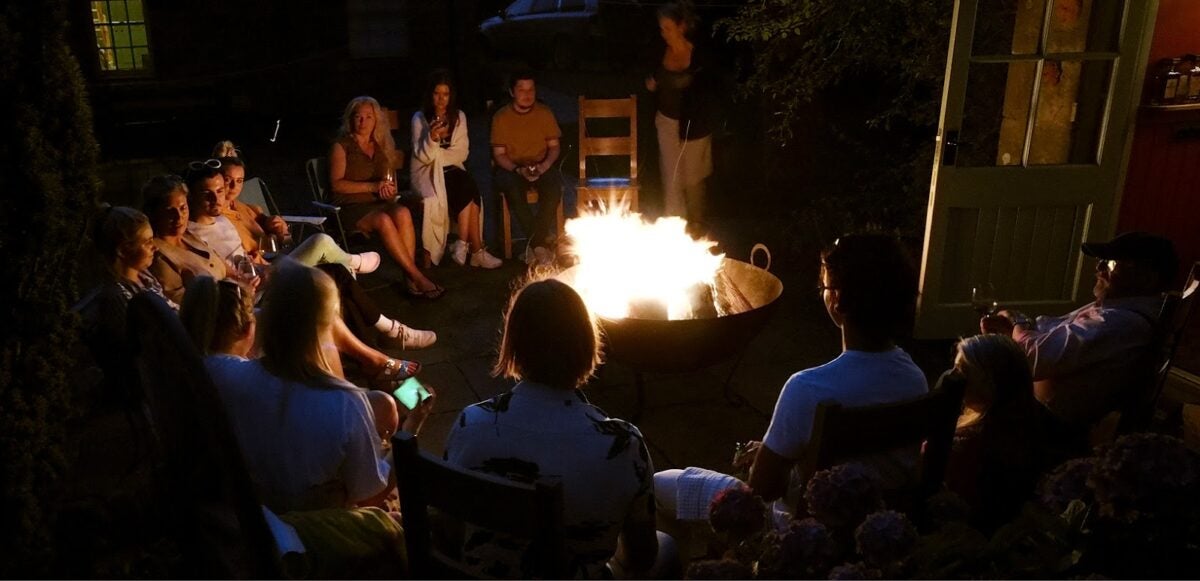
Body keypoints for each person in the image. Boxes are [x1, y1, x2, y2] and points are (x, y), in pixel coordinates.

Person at [655, 234, 928, 533]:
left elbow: (763, 492)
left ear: (837, 300)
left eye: (825, 287)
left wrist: (765, 461)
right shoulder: (914, 379)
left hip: (802, 533)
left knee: (658, 486)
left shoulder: (808, 389)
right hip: (884, 530)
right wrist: (787, 451)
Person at [444, 279, 674, 578]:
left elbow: (447, 534)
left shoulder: (471, 425)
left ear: (514, 343)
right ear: (586, 342)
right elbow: (642, 557)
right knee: (666, 547)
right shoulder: (623, 445)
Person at [179, 265, 432, 513]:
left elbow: (204, 341)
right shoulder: (346, 403)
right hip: (313, 533)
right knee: (384, 409)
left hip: (253, 512)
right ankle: (383, 368)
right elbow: (371, 497)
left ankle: (379, 366)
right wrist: (413, 426)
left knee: (381, 402)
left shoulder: (222, 374)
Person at [144, 175, 429, 386]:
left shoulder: (191, 237)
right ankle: (375, 356)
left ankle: (366, 364)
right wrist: (244, 286)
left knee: (330, 278)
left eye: (181, 208)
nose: (178, 216)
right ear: (153, 213)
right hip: (233, 323)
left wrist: (246, 273)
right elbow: (194, 311)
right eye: (169, 210)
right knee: (321, 284)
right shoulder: (162, 255)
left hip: (253, 290)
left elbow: (228, 269)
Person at [981, 231, 1178, 427]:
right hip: (1031, 406)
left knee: (964, 376)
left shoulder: (1121, 323)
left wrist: (1018, 322)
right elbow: (1051, 330)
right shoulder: (1116, 307)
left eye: (1111, 263)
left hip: (1043, 426)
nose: (1099, 267)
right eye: (1101, 260)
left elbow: (1032, 359)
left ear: (1147, 279)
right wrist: (1015, 329)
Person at [329, 96, 444, 299]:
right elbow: (337, 183)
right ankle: (417, 277)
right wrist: (372, 186)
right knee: (384, 220)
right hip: (351, 207)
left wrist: (389, 191)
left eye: (368, 117)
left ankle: (410, 279)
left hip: (378, 202)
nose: (363, 122)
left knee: (403, 212)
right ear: (351, 119)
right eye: (358, 117)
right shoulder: (342, 146)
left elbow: (391, 181)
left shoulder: (381, 145)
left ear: (376, 121)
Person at [944, 334, 1051, 532]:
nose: (952, 376)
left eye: (963, 370)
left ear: (992, 381)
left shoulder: (968, 445)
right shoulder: (1035, 423)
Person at [411, 70, 502, 269]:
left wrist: (437, 155)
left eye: (446, 94)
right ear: (430, 94)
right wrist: (433, 138)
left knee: (466, 182)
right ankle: (475, 249)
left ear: (451, 96)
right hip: (426, 172)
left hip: (452, 168)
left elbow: (461, 153)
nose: (441, 99)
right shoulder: (420, 118)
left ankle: (463, 244)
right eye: (437, 93)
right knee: (466, 185)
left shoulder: (458, 117)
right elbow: (423, 156)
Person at [645, 1, 719, 227]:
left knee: (692, 179)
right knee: (672, 178)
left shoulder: (698, 55)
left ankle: (697, 225)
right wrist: (652, 83)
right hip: (666, 120)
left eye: (667, 28)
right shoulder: (660, 51)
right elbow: (652, 75)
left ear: (681, 27)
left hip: (694, 125)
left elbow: (708, 90)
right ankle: (676, 226)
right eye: (661, 28)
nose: (663, 33)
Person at [491, 70, 563, 266]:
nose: (527, 94)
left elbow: (554, 147)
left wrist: (545, 165)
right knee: (513, 189)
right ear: (512, 92)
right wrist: (517, 170)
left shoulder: (544, 113)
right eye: (521, 89)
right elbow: (499, 155)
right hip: (513, 166)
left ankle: (533, 246)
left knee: (554, 188)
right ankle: (540, 245)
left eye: (531, 89)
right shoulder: (502, 117)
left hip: (541, 162)